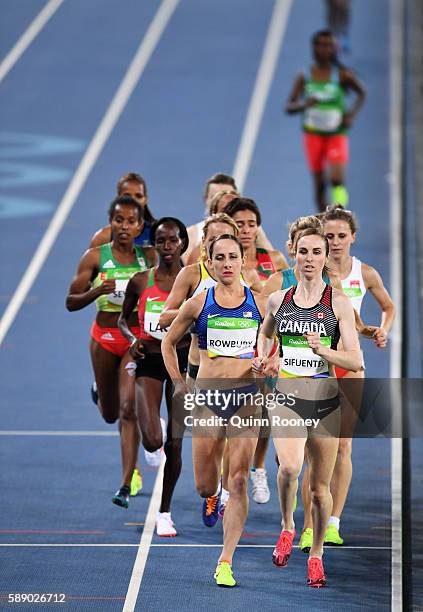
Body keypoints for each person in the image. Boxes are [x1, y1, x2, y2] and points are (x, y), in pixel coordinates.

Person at [254, 226, 362, 587]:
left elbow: (355, 360)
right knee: (289, 468)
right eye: (304, 252)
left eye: (318, 252)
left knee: (319, 489)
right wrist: (264, 357)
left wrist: (323, 350)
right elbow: (265, 333)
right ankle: (287, 526)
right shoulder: (279, 300)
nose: (310, 259)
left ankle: (316, 554)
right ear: (295, 255)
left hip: (325, 399)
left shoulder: (338, 303)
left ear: (325, 257)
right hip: (287, 393)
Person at [162, 234, 267, 587]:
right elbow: (167, 342)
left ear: (242, 261)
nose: (226, 263)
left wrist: (267, 363)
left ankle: (225, 560)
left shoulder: (260, 303)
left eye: (232, 257)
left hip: (247, 399)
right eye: (219, 257)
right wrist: (179, 383)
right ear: (209, 261)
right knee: (205, 485)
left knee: (238, 480)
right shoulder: (198, 303)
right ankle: (214, 495)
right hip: (208, 399)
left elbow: (277, 343)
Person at [298, 205, 395, 550]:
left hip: (350, 366)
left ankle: (334, 521)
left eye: (341, 236)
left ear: (353, 237)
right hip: (314, 366)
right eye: (329, 236)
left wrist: (378, 331)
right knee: (315, 450)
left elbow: (379, 311)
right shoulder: (311, 273)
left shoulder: (361, 273)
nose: (335, 242)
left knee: (343, 446)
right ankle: (309, 525)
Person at [66, 196, 155, 508]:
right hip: (103, 338)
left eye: (131, 221)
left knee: (129, 410)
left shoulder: (149, 258)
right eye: (119, 220)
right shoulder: (95, 257)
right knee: (110, 413)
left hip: (133, 338)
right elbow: (70, 301)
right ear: (111, 223)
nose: (124, 227)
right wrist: (96, 291)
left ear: (140, 226)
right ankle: (101, 392)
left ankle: (125, 483)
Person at [118, 217, 190, 536]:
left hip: (182, 361)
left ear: (183, 242)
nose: (168, 247)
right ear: (154, 244)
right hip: (149, 359)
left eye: (173, 240)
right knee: (153, 440)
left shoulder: (195, 282)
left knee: (175, 446)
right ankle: (153, 430)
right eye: (161, 241)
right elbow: (123, 319)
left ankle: (164, 512)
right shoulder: (140, 280)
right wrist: (133, 341)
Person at [224, 197, 288, 503]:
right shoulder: (223, 261)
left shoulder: (273, 260)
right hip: (231, 345)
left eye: (252, 224)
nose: (246, 230)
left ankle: (258, 469)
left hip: (266, 344)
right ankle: (225, 483)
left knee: (264, 413)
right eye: (240, 224)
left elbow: (293, 298)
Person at [285, 29, 366, 211]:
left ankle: (340, 212)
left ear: (333, 49)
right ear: (313, 48)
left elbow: (362, 93)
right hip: (313, 134)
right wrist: (304, 104)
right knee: (320, 183)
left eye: (328, 45)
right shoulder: (304, 75)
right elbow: (289, 107)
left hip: (336, 133)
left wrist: (351, 115)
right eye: (320, 45)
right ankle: (323, 220)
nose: (324, 49)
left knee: (336, 179)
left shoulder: (342, 75)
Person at [183, 173, 273, 264]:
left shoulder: (251, 228)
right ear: (207, 200)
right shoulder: (192, 234)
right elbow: (188, 270)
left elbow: (270, 262)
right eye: (214, 196)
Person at [90, 172, 156, 248]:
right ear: (118, 199)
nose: (133, 200)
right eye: (127, 196)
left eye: (138, 196)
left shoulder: (157, 233)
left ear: (145, 200)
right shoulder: (103, 238)